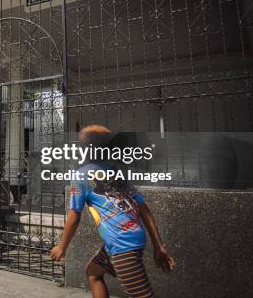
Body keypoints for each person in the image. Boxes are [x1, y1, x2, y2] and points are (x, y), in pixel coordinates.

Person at [50, 125, 176, 298]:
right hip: (128, 238)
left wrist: (62, 246)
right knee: (93, 273)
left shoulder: (81, 176)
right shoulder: (117, 172)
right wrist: (158, 245)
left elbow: (74, 215)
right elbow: (144, 209)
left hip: (122, 244)